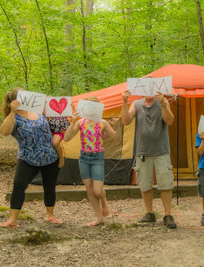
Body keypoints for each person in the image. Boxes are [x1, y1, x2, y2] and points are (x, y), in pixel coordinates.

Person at [0, 88, 61, 228]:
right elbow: (4, 131)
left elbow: (58, 122)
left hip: (49, 156)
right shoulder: (13, 117)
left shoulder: (38, 111)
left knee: (50, 186)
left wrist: (55, 107)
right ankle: (12, 220)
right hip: (28, 158)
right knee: (19, 186)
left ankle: (50, 216)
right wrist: (13, 111)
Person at [121, 89, 177, 229]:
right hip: (143, 152)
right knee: (145, 184)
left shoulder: (162, 102)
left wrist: (163, 103)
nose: (149, 91)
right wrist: (124, 101)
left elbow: (169, 121)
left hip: (161, 151)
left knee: (165, 183)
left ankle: (167, 215)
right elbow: (126, 120)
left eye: (152, 88)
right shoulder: (137, 104)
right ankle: (149, 213)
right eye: (146, 88)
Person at [64, 97, 119, 226]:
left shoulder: (103, 123)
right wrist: (72, 123)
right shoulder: (80, 123)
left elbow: (117, 139)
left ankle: (103, 200)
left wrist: (118, 127)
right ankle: (99, 218)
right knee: (89, 190)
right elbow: (66, 138)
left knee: (98, 190)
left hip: (97, 157)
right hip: (83, 158)